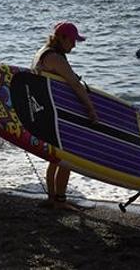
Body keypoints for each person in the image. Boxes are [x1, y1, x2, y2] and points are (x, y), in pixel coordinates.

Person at [31, 22, 97, 211]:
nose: (74, 45)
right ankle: (59, 201)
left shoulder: (43, 52)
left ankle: (53, 198)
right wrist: (90, 109)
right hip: (53, 114)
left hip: (44, 112)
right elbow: (75, 84)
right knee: (67, 158)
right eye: (72, 41)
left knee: (56, 158)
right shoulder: (54, 57)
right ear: (61, 38)